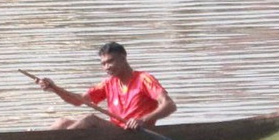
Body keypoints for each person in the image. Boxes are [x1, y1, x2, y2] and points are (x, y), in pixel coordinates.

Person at [33, 42, 179, 132]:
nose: (107, 67)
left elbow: (170, 105)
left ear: (123, 58)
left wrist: (143, 119)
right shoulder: (108, 84)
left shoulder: (144, 79)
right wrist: (55, 88)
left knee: (90, 120)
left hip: (135, 131)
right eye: (103, 64)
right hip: (117, 129)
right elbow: (78, 101)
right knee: (62, 122)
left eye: (110, 62)